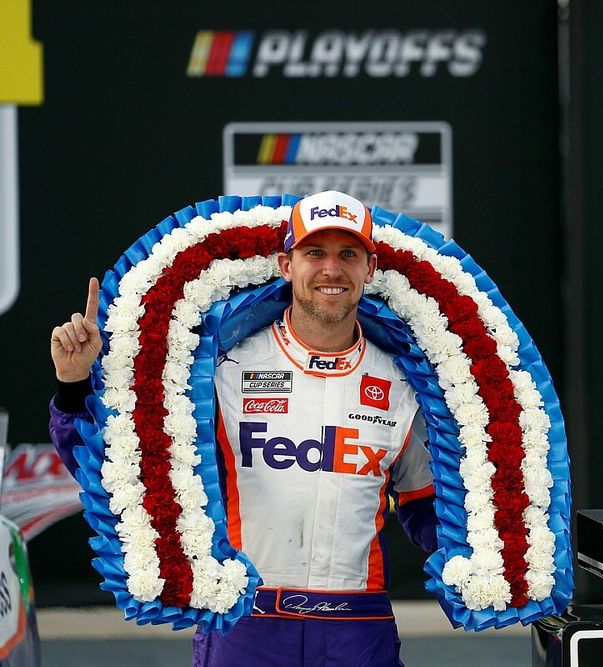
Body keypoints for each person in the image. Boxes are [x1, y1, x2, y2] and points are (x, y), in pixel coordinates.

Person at [48, 190, 438, 666]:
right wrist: (73, 386)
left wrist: (493, 568)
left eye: (348, 254)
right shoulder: (224, 367)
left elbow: (431, 509)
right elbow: (123, 468)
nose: (331, 270)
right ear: (284, 264)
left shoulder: (403, 383)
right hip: (247, 624)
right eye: (314, 252)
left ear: (370, 269)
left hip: (356, 628)